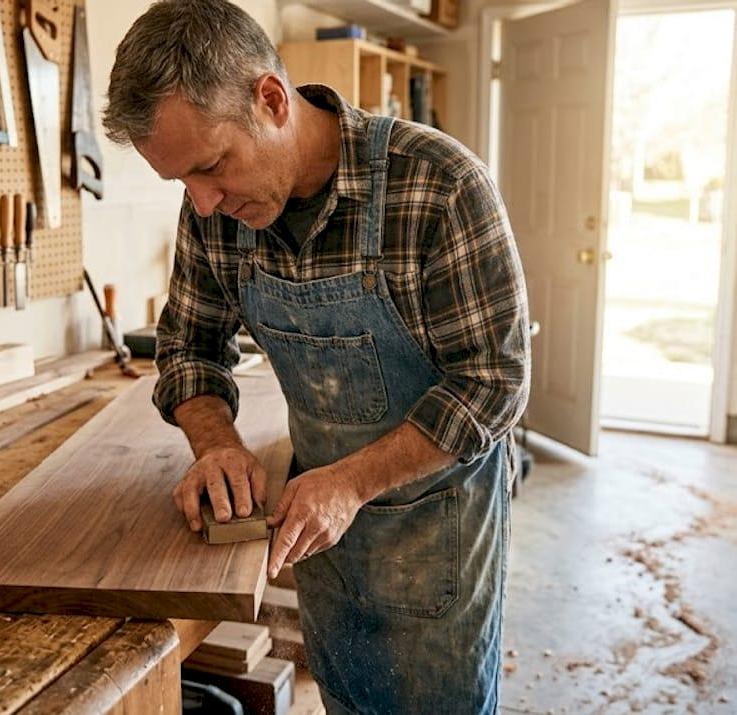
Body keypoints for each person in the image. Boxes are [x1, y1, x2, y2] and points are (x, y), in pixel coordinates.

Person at [103, 0, 530, 711]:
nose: (203, 204)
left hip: (438, 535)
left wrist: (354, 482)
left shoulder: (438, 187)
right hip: (319, 530)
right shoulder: (213, 214)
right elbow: (187, 347)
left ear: (271, 99)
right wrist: (216, 445)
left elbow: (495, 381)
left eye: (212, 167)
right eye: (182, 183)